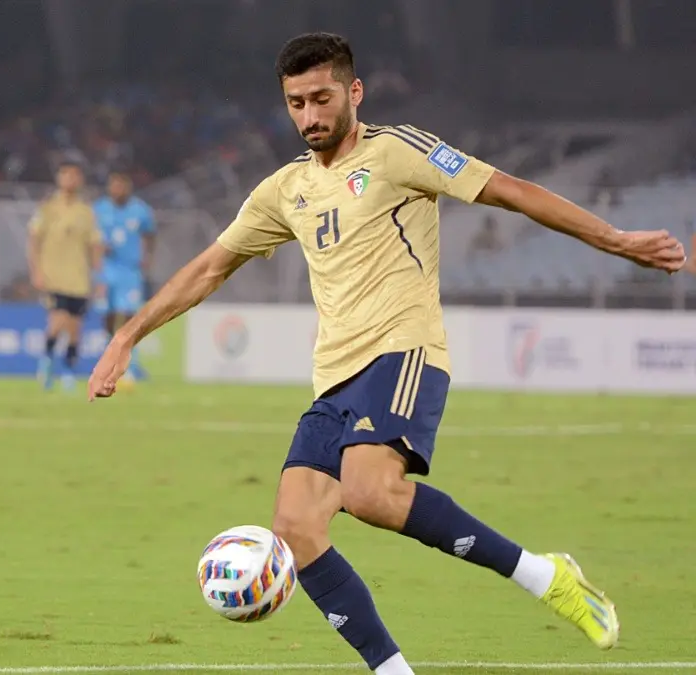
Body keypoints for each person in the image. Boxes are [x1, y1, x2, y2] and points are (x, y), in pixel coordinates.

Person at [88, 32, 685, 675]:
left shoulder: (399, 150)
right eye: (296, 104)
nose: (310, 117)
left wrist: (615, 239)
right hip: (334, 379)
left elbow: (508, 189)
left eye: (321, 98)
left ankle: (546, 577)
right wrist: (127, 336)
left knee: (370, 493)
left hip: (403, 352)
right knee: (295, 526)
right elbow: (209, 268)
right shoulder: (284, 190)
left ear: (354, 91)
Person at [26, 161, 103, 391]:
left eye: (74, 175)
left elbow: (94, 245)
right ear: (59, 178)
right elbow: (33, 241)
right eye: (66, 175)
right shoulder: (47, 208)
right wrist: (36, 271)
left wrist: (98, 277)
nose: (70, 180)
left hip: (79, 279)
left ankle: (68, 371)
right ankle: (47, 361)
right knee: (57, 320)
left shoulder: (86, 212)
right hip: (54, 277)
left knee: (75, 328)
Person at [93, 171, 156, 383]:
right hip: (106, 270)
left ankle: (131, 364)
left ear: (128, 186)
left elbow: (150, 234)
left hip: (130, 271)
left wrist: (147, 256)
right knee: (108, 316)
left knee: (130, 316)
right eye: (114, 185)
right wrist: (97, 256)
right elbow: (91, 239)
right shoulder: (99, 209)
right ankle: (109, 360)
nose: (117, 189)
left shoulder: (140, 210)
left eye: (121, 185)